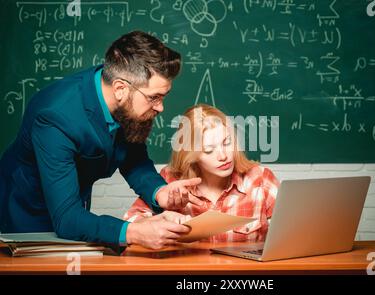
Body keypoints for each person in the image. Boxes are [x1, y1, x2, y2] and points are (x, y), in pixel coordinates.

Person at [0, 31, 205, 250]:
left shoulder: (123, 100)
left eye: (163, 97)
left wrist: (160, 192)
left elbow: (133, 156)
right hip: (27, 219)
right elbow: (67, 219)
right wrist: (134, 232)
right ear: (120, 89)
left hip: (76, 215)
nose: (160, 107)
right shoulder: (55, 118)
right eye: (153, 97)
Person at [124, 104, 280, 242]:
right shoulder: (170, 182)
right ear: (191, 155)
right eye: (208, 150)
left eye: (227, 143)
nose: (223, 156)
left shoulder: (260, 179)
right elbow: (131, 222)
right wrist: (160, 220)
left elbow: (295, 227)